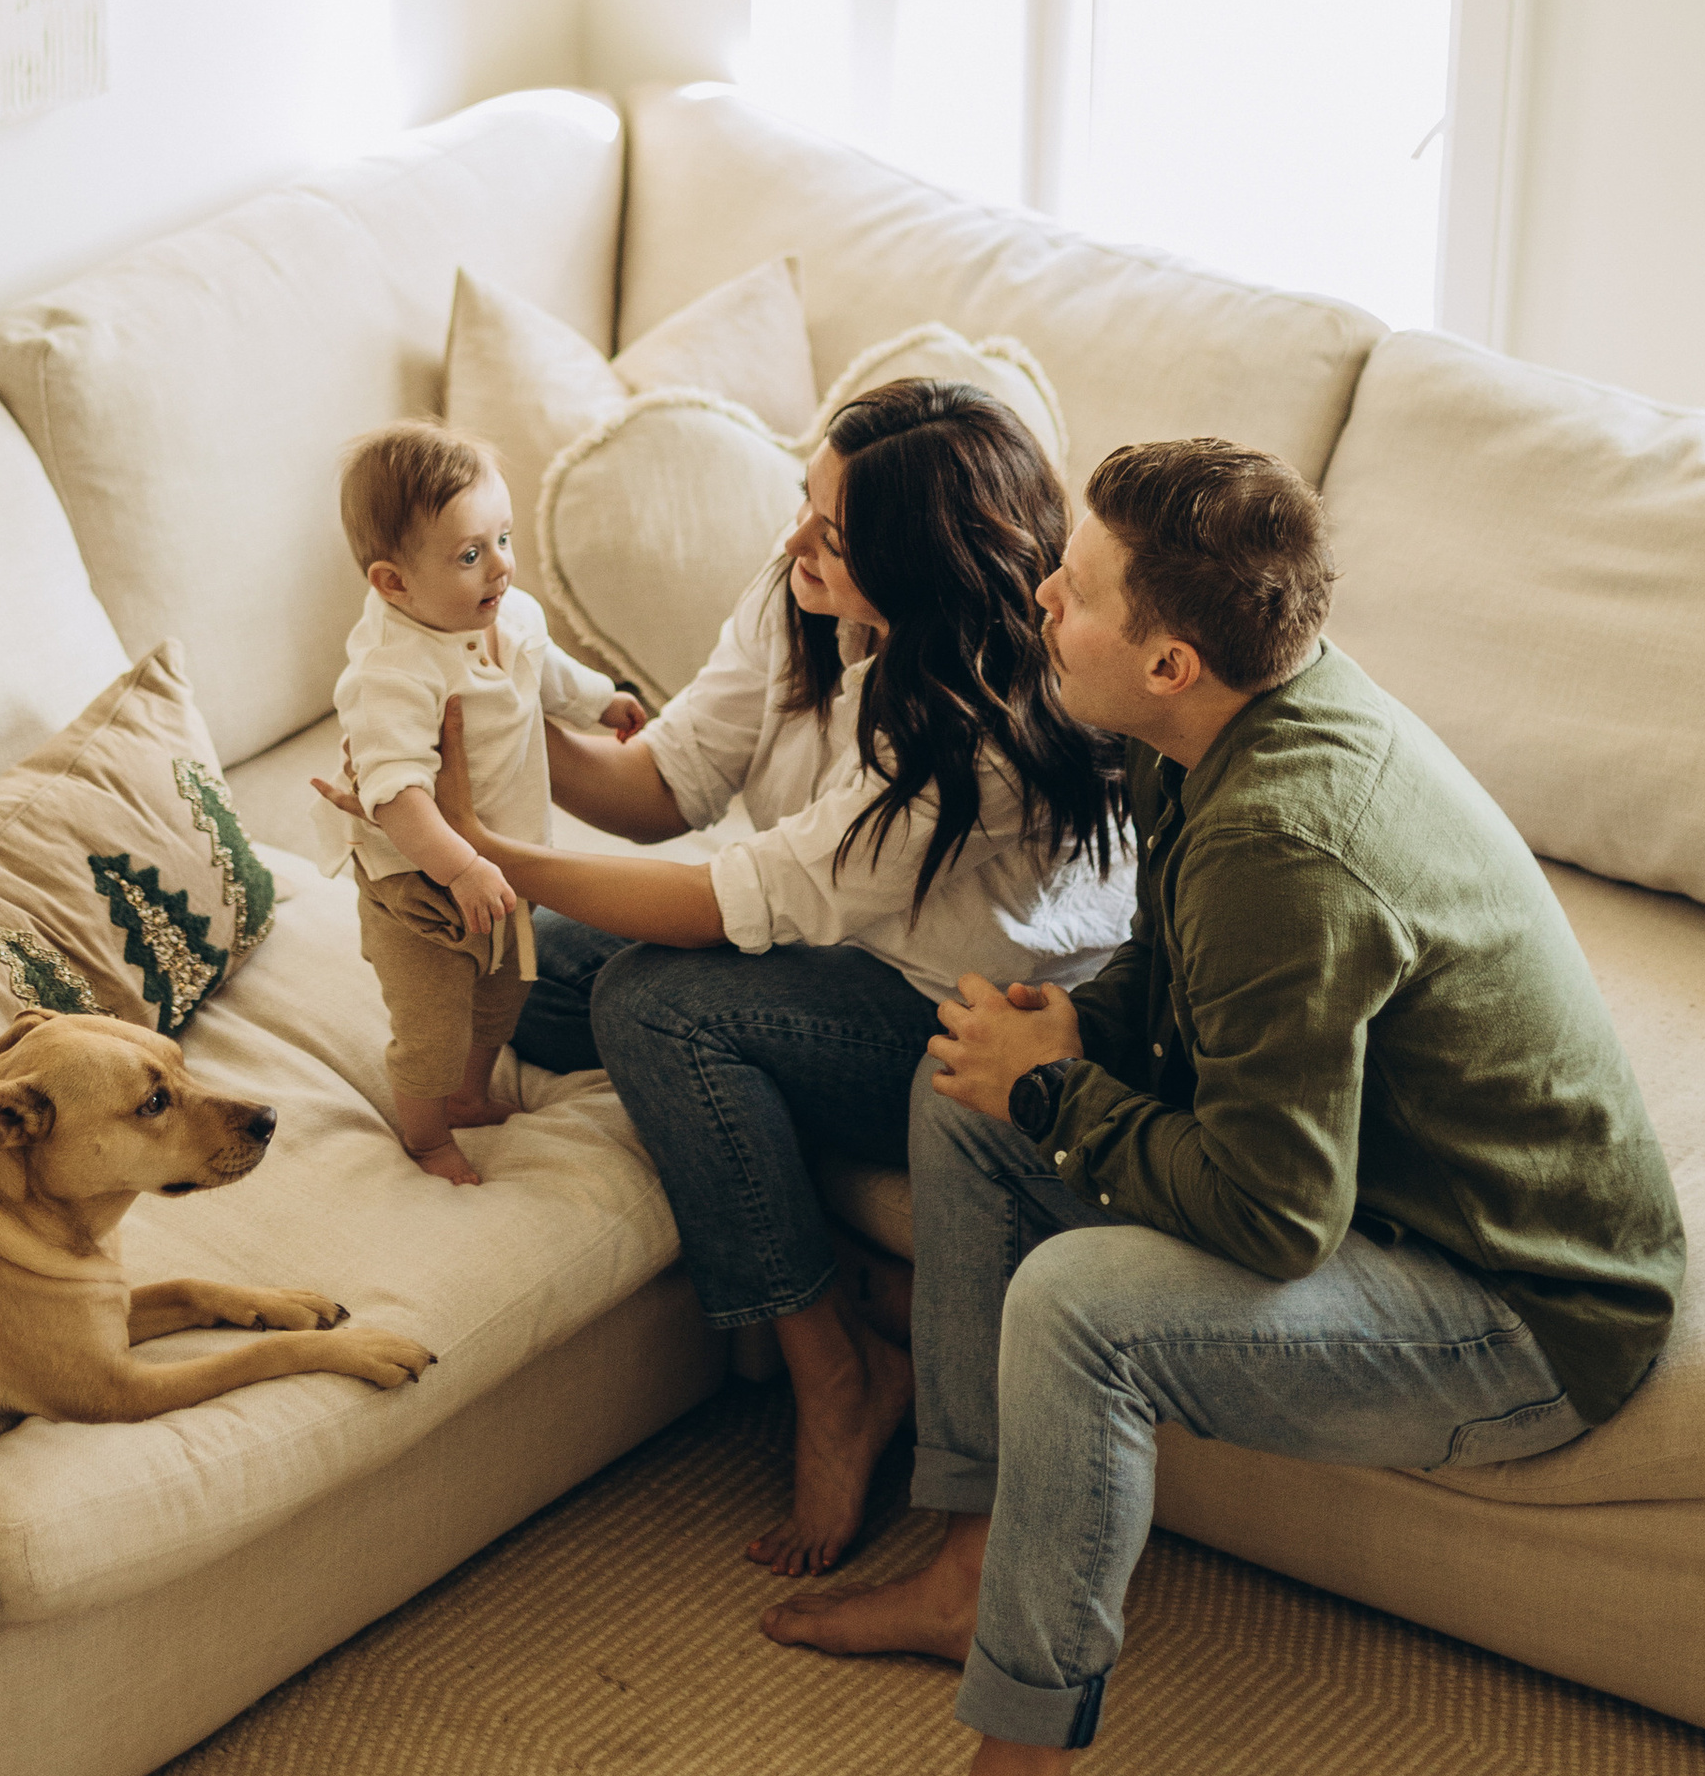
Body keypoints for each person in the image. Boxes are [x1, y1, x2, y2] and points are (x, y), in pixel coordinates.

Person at [762, 436, 1687, 1776]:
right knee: (961, 1086)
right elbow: (1181, 963)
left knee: (1082, 1307)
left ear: (1170, 660)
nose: (1042, 597)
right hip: (1387, 1188)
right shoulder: (1218, 727)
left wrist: (1060, 1094)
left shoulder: (1283, 834)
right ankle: (972, 1566)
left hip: (1520, 1304)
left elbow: (1272, 1216)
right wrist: (1066, 1040)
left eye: (1077, 589)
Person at [352, 380, 1133, 1571]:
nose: (796, 541)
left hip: (955, 1010)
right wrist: (471, 706)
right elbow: (664, 785)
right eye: (803, 503)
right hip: (830, 940)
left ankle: (836, 1370)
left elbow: (732, 898)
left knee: (650, 1008)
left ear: (918, 567)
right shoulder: (801, 594)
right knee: (541, 980)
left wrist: (485, 852)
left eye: (834, 534)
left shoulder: (981, 736)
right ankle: (824, 1229)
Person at [318, 423, 646, 1183]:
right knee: (433, 1023)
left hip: (505, 856)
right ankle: (428, 1137)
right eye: (470, 555)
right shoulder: (390, 674)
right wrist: (460, 867)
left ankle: (469, 1093)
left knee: (502, 997)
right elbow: (395, 795)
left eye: (503, 537)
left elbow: (546, 668)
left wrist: (600, 702)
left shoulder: (509, 612)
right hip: (420, 881)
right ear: (393, 583)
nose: (500, 564)